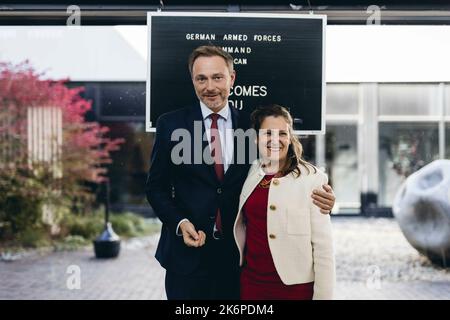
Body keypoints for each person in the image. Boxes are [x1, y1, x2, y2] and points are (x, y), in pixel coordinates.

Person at [145, 45, 335, 300]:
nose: (210, 86)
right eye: (201, 78)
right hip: (185, 259)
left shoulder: (252, 125)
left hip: (236, 260)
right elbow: (155, 188)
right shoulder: (171, 124)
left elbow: (283, 173)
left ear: (231, 78)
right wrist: (180, 223)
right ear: (192, 80)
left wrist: (324, 198)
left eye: (217, 77)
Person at [234, 104, 335, 300]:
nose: (275, 140)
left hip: (295, 289)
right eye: (267, 133)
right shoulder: (252, 171)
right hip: (252, 285)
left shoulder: (312, 179)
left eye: (282, 133)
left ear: (290, 138)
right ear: (256, 139)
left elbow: (324, 248)